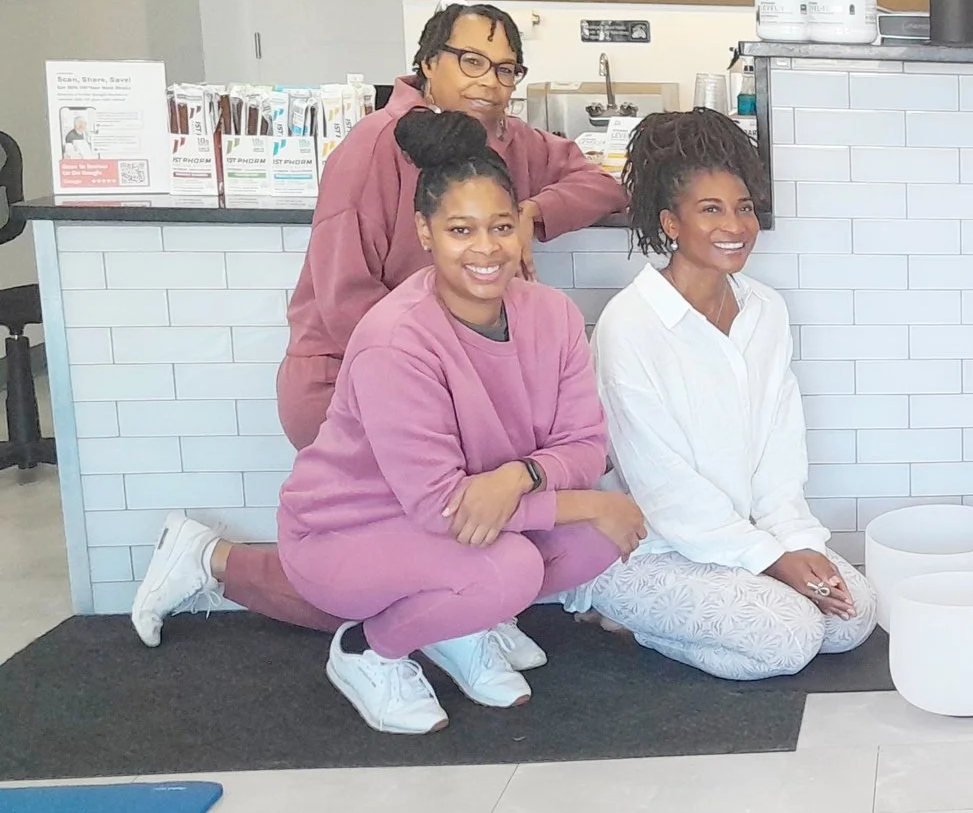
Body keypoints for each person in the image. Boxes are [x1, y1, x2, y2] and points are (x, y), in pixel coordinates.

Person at [129, 111, 647, 734]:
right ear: (425, 232)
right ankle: (368, 649)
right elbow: (439, 507)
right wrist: (582, 500)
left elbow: (585, 445)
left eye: (501, 227)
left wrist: (518, 477)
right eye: (461, 230)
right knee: (511, 567)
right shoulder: (395, 339)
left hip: (472, 511)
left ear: (521, 227)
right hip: (349, 531)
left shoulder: (553, 315)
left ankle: (459, 621)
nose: (486, 249)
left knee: (595, 538)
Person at [571, 109, 877, 679]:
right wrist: (771, 560)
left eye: (744, 207)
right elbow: (662, 485)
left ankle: (746, 595)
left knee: (852, 618)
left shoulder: (765, 311)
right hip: (649, 547)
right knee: (791, 638)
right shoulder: (630, 324)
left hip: (745, 536)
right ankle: (624, 617)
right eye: (710, 209)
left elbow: (778, 444)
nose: (735, 225)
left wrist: (793, 540)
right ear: (670, 223)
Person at [277, 1, 626, 449]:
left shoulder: (510, 138)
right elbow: (344, 298)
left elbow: (604, 186)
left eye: (505, 70)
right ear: (428, 62)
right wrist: (446, 373)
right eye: (471, 61)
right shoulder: (376, 144)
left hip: (458, 381)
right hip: (351, 378)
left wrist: (530, 213)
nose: (489, 81)